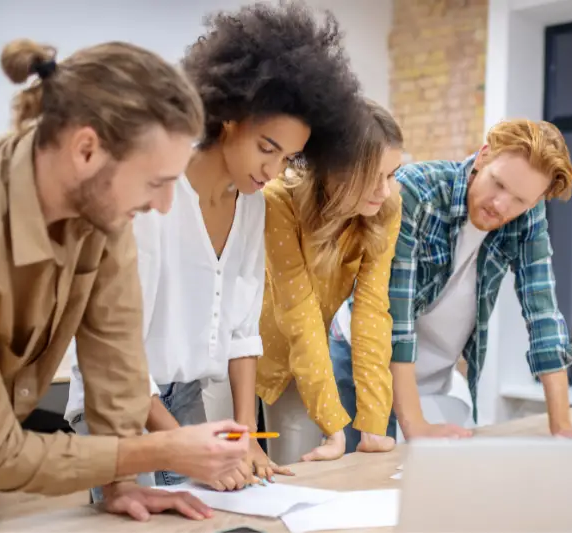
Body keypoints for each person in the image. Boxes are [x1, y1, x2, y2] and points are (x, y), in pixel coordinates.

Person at [0, 39, 250, 531]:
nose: (165, 206)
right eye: (155, 182)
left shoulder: (102, 215)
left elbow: (116, 359)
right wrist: (158, 449)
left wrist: (122, 483)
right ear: (85, 150)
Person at [64, 1, 366, 493]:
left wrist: (243, 434)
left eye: (288, 158)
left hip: (185, 399)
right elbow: (120, 358)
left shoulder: (252, 204)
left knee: (223, 511)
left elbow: (243, 331)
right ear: (228, 116)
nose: (273, 170)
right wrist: (192, 446)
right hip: (119, 399)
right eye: (267, 147)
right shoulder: (152, 195)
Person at [330, 118, 572, 446]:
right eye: (498, 184)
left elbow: (544, 316)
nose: (501, 205)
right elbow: (395, 316)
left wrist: (561, 425)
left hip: (431, 378)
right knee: (363, 485)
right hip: (361, 366)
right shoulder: (414, 192)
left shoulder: (526, 217)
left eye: (521, 200)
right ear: (483, 156)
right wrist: (413, 423)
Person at [257, 99, 404, 466]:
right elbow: (298, 311)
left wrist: (371, 424)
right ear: (334, 169)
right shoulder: (279, 199)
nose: (385, 191)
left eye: (392, 174)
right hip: (237, 356)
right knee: (222, 477)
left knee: (296, 476)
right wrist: (333, 424)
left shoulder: (385, 208)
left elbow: (372, 314)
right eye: (374, 176)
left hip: (299, 363)